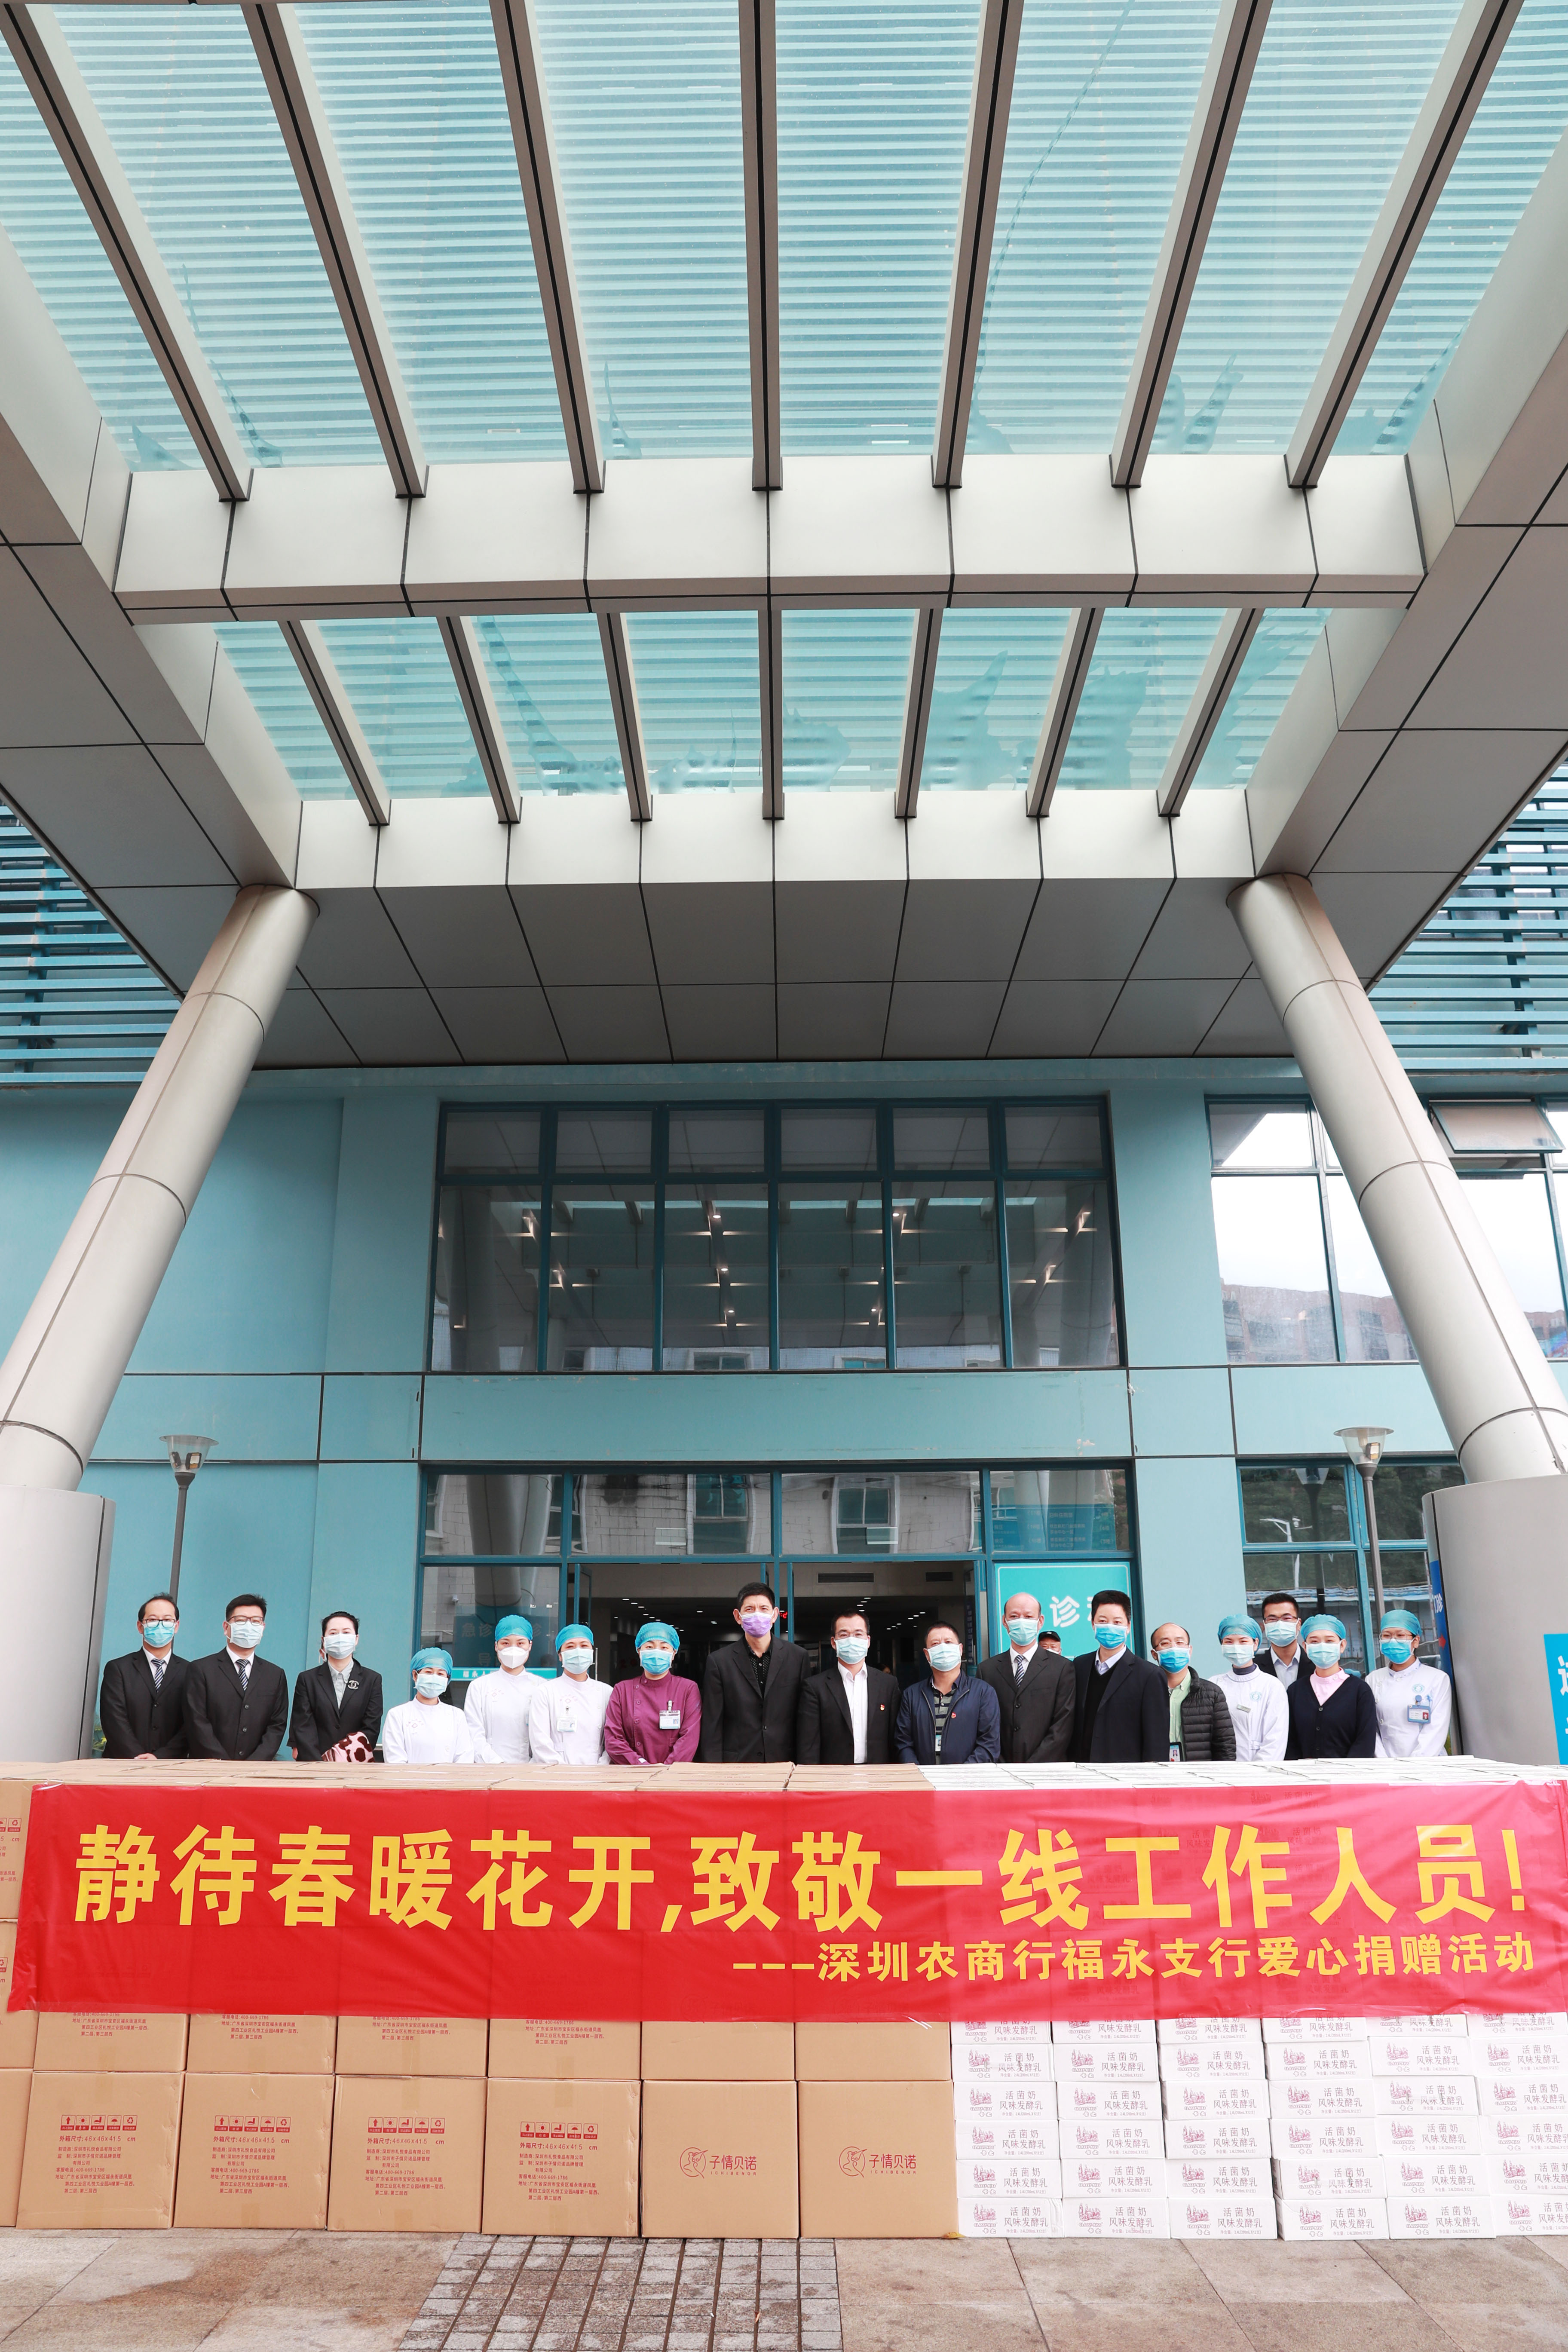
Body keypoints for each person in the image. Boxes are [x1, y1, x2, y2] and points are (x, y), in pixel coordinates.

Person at [700, 1581, 807, 1762]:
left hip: (785, 1761)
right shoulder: (719, 1662)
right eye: (750, 1609)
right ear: (738, 1616)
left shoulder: (798, 1658)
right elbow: (713, 1723)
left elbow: (805, 1719)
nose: (757, 1614)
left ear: (774, 1615)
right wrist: (713, 1768)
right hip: (736, 1764)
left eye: (764, 1609)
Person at [183, 1593, 289, 1762]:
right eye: (241, 1620)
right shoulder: (201, 1669)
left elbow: (277, 1725)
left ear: (263, 1628)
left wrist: (254, 1764)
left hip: (257, 1770)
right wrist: (224, 1763)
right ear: (226, 1627)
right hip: (209, 1767)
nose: (249, 1626)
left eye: (256, 1621)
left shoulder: (275, 1675)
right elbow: (197, 1722)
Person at [977, 1590, 1075, 1763]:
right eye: (1014, 1616)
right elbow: (984, 1725)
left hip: (1047, 1768)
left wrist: (1033, 1766)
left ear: (1040, 1621)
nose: (1021, 1621)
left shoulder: (1062, 1668)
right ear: (1005, 1621)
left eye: (1029, 1617)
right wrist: (1000, 1763)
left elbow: (1062, 1726)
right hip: (999, 1768)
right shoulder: (987, 1670)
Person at [1071, 1591, 1168, 1763]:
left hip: (1126, 1773)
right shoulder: (1079, 1666)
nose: (1110, 1627)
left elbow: (1157, 1742)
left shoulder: (1150, 1675)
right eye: (1103, 1621)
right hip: (1082, 1769)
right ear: (1093, 1624)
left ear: (1128, 1626)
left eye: (1117, 1622)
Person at [796, 1611, 900, 1764]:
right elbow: (808, 1746)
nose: (852, 1640)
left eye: (858, 1634)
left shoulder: (888, 1685)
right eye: (844, 1635)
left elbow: (896, 1739)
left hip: (878, 1773)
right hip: (834, 1774)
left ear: (868, 1641)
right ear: (834, 1642)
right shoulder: (815, 1687)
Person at [98, 1592, 189, 1760]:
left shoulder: (190, 1672)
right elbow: (114, 1720)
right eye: (153, 1620)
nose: (160, 1625)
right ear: (140, 1627)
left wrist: (160, 1758)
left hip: (171, 1766)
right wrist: (138, 1757)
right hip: (123, 1764)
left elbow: (191, 1724)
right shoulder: (118, 1669)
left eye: (167, 1620)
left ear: (176, 1626)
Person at [894, 1624, 1001, 1765]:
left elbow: (989, 1744)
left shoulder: (983, 1692)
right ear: (927, 1654)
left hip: (968, 1777)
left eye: (948, 1642)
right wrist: (918, 1771)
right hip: (922, 1776)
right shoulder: (912, 1695)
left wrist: (962, 1774)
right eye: (936, 1644)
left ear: (960, 1649)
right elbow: (903, 1742)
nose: (943, 1648)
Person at [290, 1611, 383, 1761]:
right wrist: (321, 1764)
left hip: (354, 1766)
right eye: (333, 1633)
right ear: (324, 1640)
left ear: (356, 1639)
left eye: (346, 1632)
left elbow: (371, 1728)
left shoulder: (372, 1680)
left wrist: (341, 1758)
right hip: (313, 1765)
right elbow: (303, 1726)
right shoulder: (307, 1680)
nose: (340, 1638)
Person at [603, 1623, 701, 1764]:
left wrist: (666, 1769)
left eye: (664, 1648)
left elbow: (689, 1739)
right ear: (639, 1651)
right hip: (633, 1772)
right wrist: (641, 1765)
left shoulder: (688, 1689)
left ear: (674, 1653)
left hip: (675, 1773)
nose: (657, 1652)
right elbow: (613, 1740)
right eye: (649, 1647)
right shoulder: (622, 1690)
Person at [1285, 1614, 1378, 1758]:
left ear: (1342, 1646)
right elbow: (1290, 1741)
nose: (1322, 1646)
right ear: (1305, 1647)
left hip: (1350, 1771)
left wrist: (1344, 1769)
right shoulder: (1295, 1691)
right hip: (1304, 1771)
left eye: (1329, 1641)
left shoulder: (1360, 1691)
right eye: (1314, 1642)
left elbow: (1365, 1742)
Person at [1366, 1608, 1453, 1758]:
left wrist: (1414, 1765)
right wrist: (1383, 1761)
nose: (1393, 1641)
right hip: (1385, 1763)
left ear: (1416, 1641)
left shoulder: (1437, 1679)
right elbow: (1370, 1728)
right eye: (1387, 1636)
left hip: (1428, 1763)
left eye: (1400, 1635)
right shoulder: (1373, 1679)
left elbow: (1436, 1729)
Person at [529, 1624, 613, 1766]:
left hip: (596, 1772)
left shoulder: (607, 1692)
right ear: (560, 1656)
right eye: (570, 1647)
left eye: (584, 1646)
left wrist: (600, 1768)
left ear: (592, 1652)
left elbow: (613, 1740)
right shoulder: (545, 1692)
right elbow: (540, 1742)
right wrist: (564, 1772)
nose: (578, 1651)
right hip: (556, 1773)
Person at [1152, 1621, 1236, 1761]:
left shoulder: (1212, 1694)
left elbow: (1225, 1747)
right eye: (1165, 1643)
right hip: (1156, 1772)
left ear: (1189, 1650)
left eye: (1180, 1642)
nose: (1174, 1648)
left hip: (1199, 1773)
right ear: (1154, 1654)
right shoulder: (1145, 1693)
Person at [1210, 1613, 1289, 1762]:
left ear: (1255, 1643)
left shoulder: (1272, 1686)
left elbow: (1275, 1740)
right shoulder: (1214, 1685)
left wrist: (1256, 1772)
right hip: (1221, 1769)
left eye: (1243, 1641)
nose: (1236, 1647)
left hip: (1260, 1770)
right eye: (1229, 1642)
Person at [382, 1648, 484, 1763]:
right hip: (408, 1776)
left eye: (441, 1674)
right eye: (428, 1672)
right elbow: (395, 1760)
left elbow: (464, 1758)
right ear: (415, 1675)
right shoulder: (398, 1715)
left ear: (447, 1680)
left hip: (450, 1775)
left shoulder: (457, 1716)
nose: (434, 1678)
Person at [463, 1614, 539, 1762]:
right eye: (506, 1643)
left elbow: (546, 1737)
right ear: (496, 1646)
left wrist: (532, 1766)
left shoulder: (541, 1687)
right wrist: (496, 1763)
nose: (513, 1649)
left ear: (530, 1646)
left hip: (531, 1770)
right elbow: (474, 1734)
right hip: (490, 1767)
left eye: (520, 1643)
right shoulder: (480, 1686)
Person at [1257, 1593, 1307, 1690]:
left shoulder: (1316, 1664)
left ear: (1299, 1624)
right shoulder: (1255, 1668)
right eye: (1272, 1619)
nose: (1280, 1624)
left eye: (1287, 1618)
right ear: (1265, 1624)